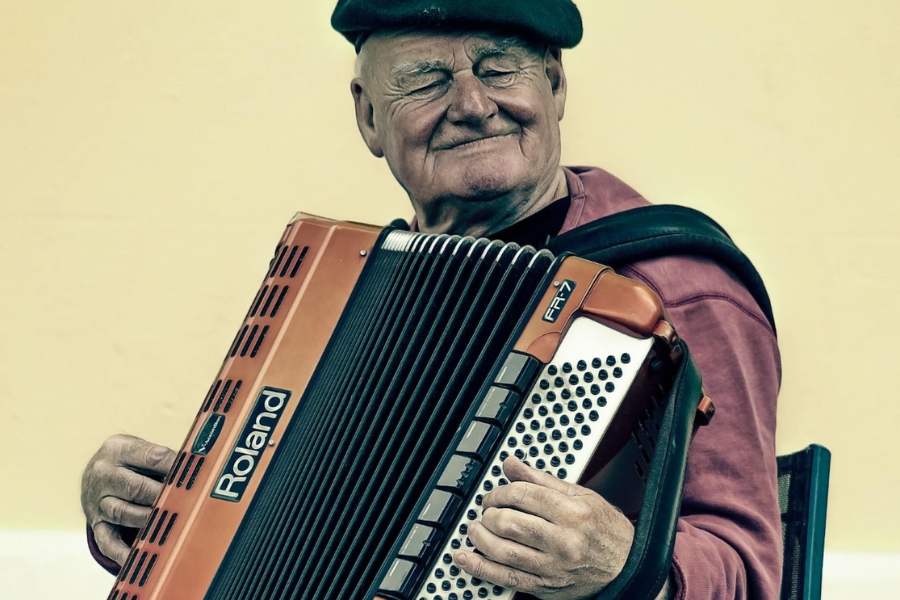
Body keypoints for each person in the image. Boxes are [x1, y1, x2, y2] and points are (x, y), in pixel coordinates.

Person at [80, 1, 782, 598]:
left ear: (556, 85)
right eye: (425, 81)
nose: (473, 105)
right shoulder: (344, 290)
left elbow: (753, 574)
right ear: (369, 119)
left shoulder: (675, 286)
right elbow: (267, 515)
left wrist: (626, 566)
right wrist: (147, 513)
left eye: (500, 66)